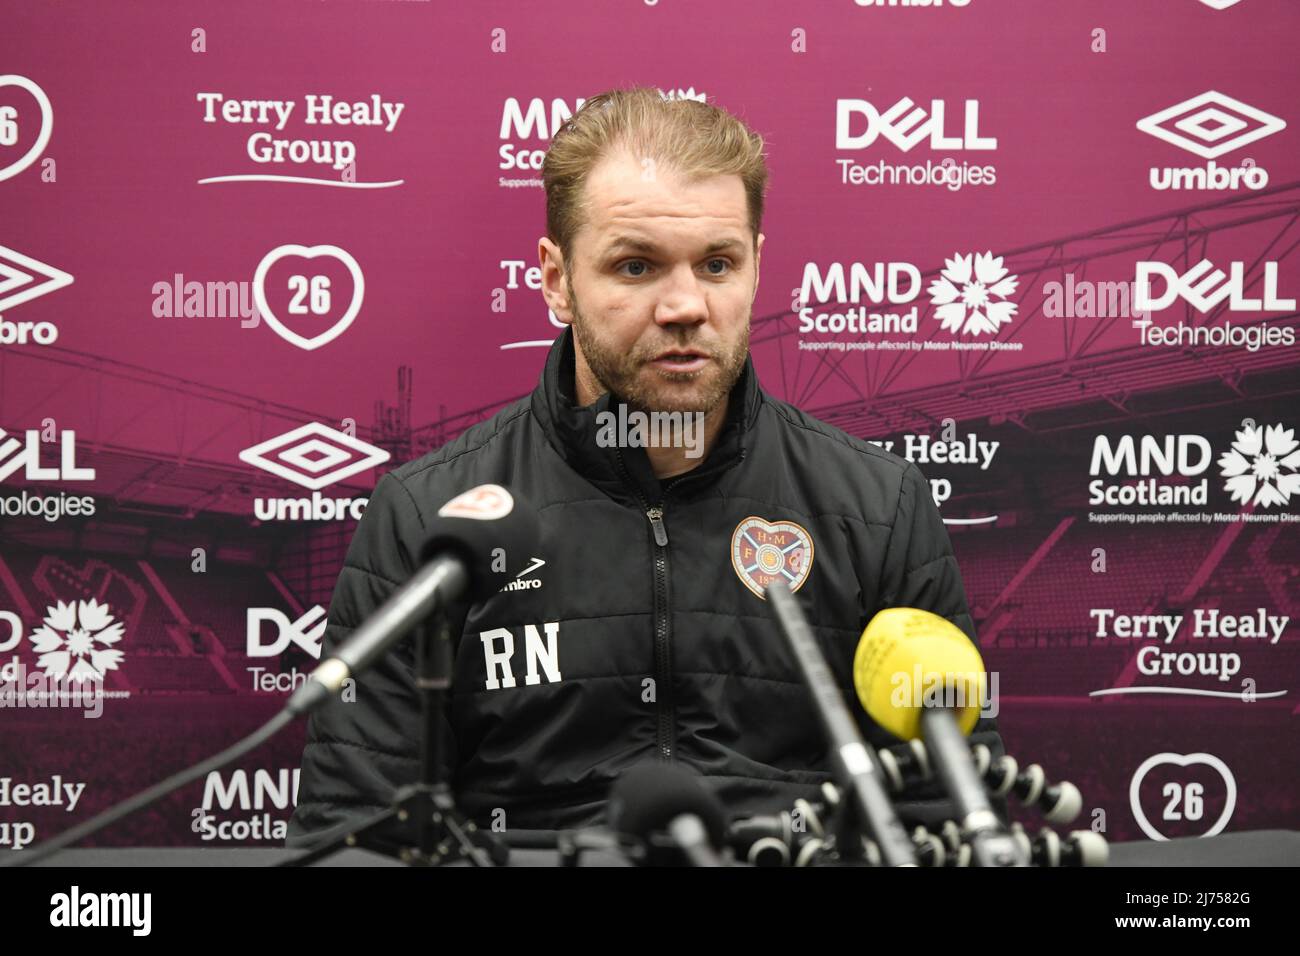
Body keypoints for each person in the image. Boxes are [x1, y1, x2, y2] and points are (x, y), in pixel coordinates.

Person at [286, 86, 1004, 850]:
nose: (686, 305)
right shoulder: (431, 515)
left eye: (718, 264)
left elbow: (946, 822)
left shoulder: (879, 506)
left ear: (758, 267)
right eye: (636, 267)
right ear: (558, 281)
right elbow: (354, 837)